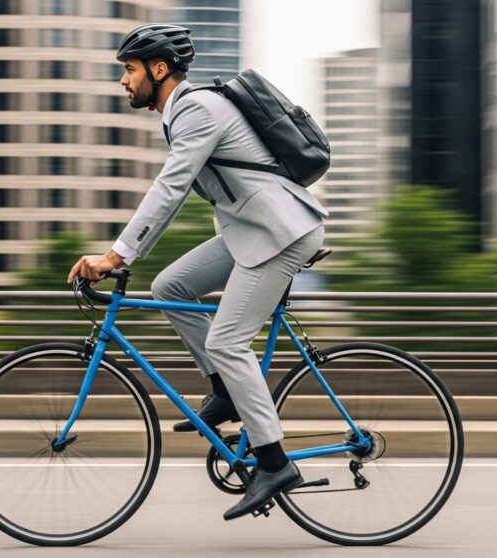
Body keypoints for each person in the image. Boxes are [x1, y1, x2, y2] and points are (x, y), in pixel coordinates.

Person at [67, 24, 328, 520]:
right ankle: (227, 391)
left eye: (129, 70)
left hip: (282, 234)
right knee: (171, 285)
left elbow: (170, 189)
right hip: (253, 230)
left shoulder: (196, 110)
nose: (124, 81)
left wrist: (116, 256)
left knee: (228, 341)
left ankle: (274, 463)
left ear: (159, 69)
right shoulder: (186, 112)